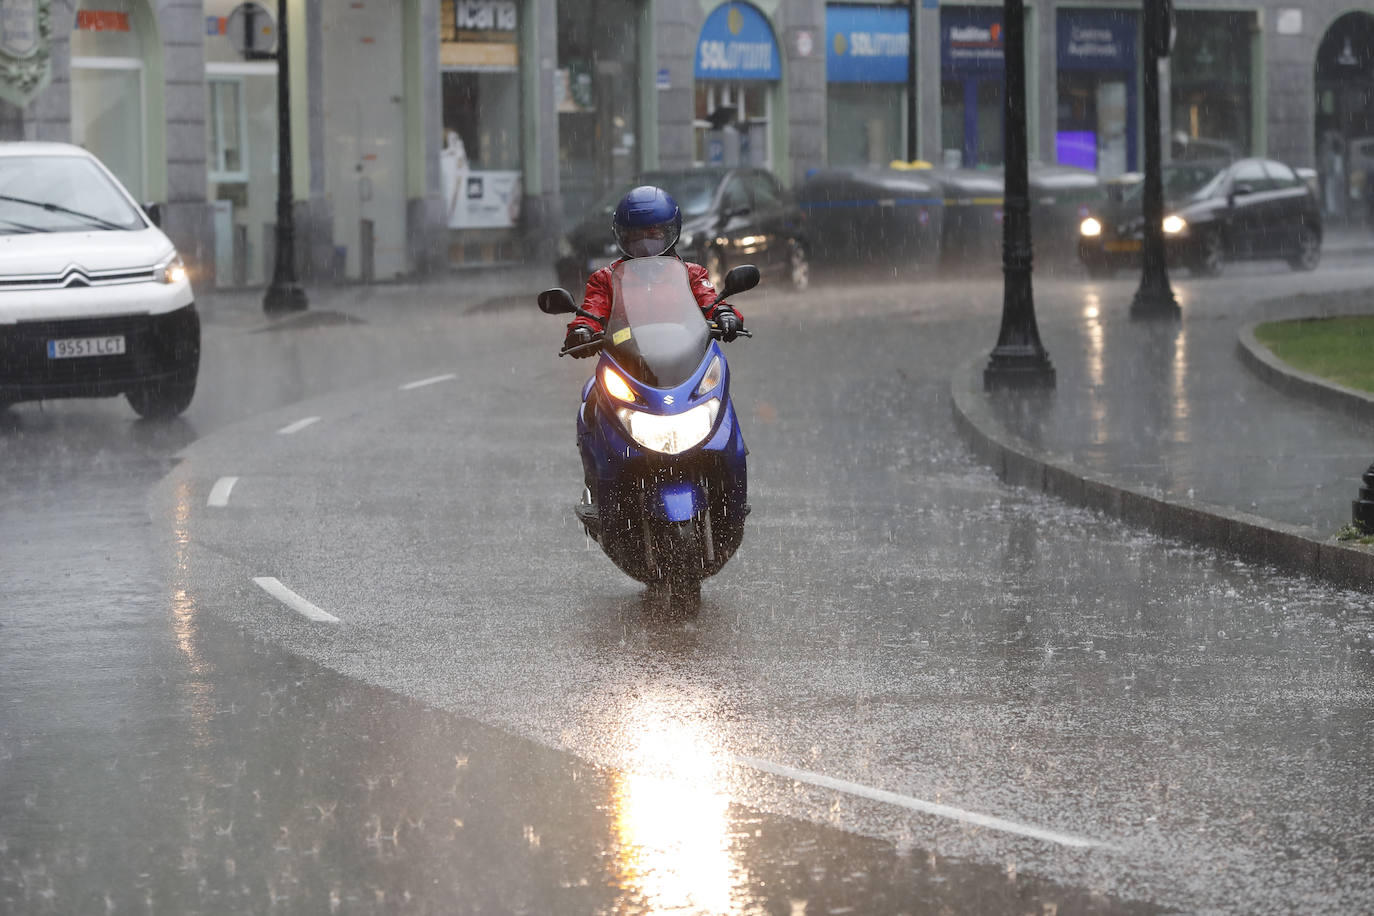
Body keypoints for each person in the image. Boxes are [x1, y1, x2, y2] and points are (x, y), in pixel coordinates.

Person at [562, 185, 741, 357]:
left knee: (717, 384)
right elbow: (592, 311)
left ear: (672, 232)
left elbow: (710, 301)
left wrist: (724, 314)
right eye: (636, 236)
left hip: (687, 360)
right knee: (591, 389)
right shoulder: (605, 279)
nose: (645, 243)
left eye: (654, 235)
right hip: (625, 362)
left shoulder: (692, 274)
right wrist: (582, 330)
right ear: (622, 236)